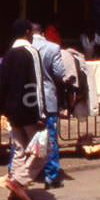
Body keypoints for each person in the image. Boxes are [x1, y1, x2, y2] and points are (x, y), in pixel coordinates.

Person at [1, 19, 47, 200]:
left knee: (20, 149)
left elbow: (3, 84)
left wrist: (6, 109)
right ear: (28, 32)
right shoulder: (31, 53)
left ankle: (16, 192)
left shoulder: (9, 54)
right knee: (42, 150)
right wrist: (40, 114)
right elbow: (36, 84)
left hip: (12, 111)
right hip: (29, 110)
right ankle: (19, 182)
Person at [31, 21, 66, 188]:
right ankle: (50, 176)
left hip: (28, 99)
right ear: (43, 33)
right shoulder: (53, 48)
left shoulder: (22, 48)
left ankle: (22, 174)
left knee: (23, 138)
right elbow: (60, 73)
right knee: (50, 137)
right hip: (48, 99)